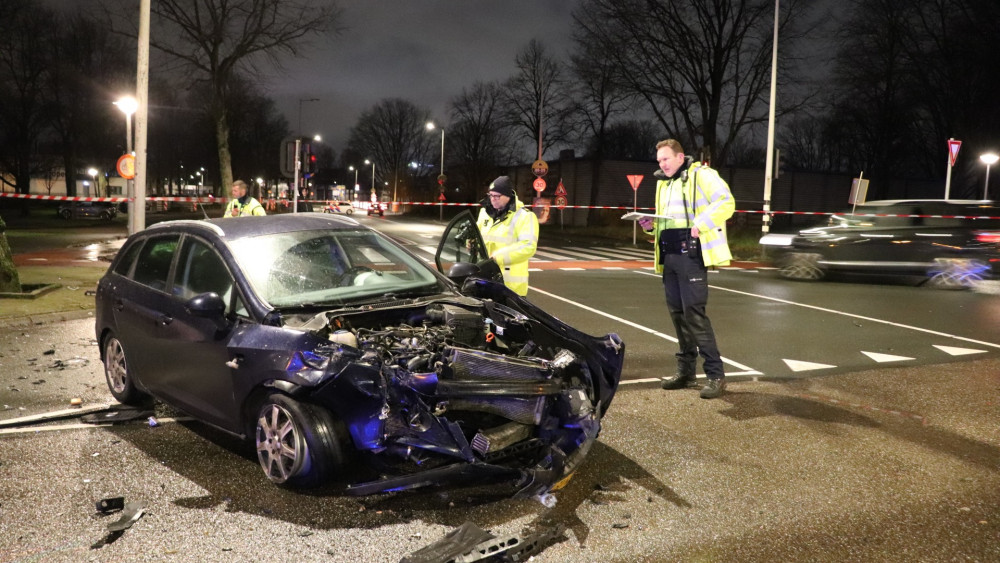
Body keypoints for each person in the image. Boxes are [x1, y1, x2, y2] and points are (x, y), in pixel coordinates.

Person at [638, 139, 735, 399]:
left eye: (666, 159)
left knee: (694, 314)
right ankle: (686, 372)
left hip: (691, 253)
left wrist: (701, 223)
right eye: (659, 161)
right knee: (678, 314)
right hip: (669, 254)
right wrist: (649, 226)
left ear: (680, 157)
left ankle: (716, 375)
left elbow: (726, 202)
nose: (662, 164)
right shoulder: (662, 183)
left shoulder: (702, 175)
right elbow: (667, 221)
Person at [475, 175, 539, 296]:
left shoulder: (525, 216)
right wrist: (471, 241)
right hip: (486, 281)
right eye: (491, 195)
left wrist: (498, 258)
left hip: (511, 288)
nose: (493, 199)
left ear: (508, 196)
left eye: (497, 196)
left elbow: (528, 247)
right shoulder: (485, 213)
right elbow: (478, 235)